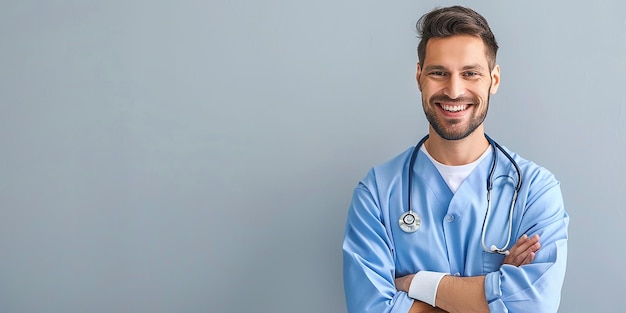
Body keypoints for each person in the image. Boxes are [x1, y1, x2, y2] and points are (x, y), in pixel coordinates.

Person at [342, 6, 568, 313]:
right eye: (439, 73)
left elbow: (534, 305)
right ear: (419, 77)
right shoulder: (377, 193)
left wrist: (417, 284)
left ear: (494, 79)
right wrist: (497, 291)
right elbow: (371, 309)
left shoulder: (534, 190)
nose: (454, 90)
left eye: (470, 73)